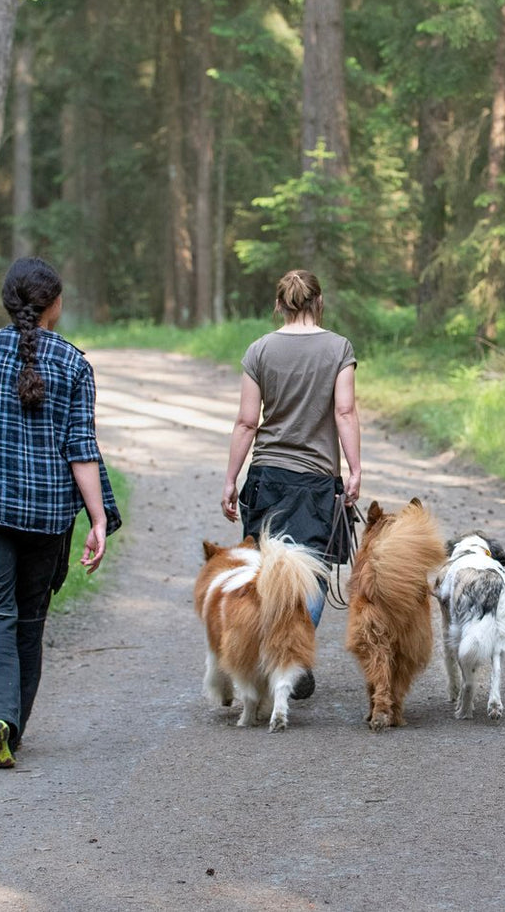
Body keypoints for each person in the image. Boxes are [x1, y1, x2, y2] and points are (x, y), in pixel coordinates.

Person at [0, 257, 121, 769]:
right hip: (47, 517)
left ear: (8, 302)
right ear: (55, 305)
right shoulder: (75, 364)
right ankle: (11, 729)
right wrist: (98, 520)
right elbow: (83, 449)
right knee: (30, 619)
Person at [222, 269, 361, 698]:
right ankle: (293, 656)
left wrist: (231, 479)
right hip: (317, 481)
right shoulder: (338, 348)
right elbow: (344, 412)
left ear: (279, 305)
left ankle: (262, 651)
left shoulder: (259, 349)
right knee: (312, 575)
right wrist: (354, 470)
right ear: (319, 302)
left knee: (264, 570)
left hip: (266, 478)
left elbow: (247, 422)